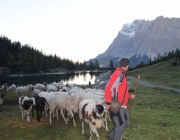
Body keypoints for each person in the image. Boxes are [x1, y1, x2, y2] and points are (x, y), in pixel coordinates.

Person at [104, 58, 135, 140]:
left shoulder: (123, 75)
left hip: (123, 105)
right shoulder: (118, 74)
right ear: (127, 66)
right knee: (120, 126)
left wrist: (129, 96)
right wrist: (107, 102)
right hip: (117, 105)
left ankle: (111, 136)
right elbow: (108, 88)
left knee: (126, 123)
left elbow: (122, 92)